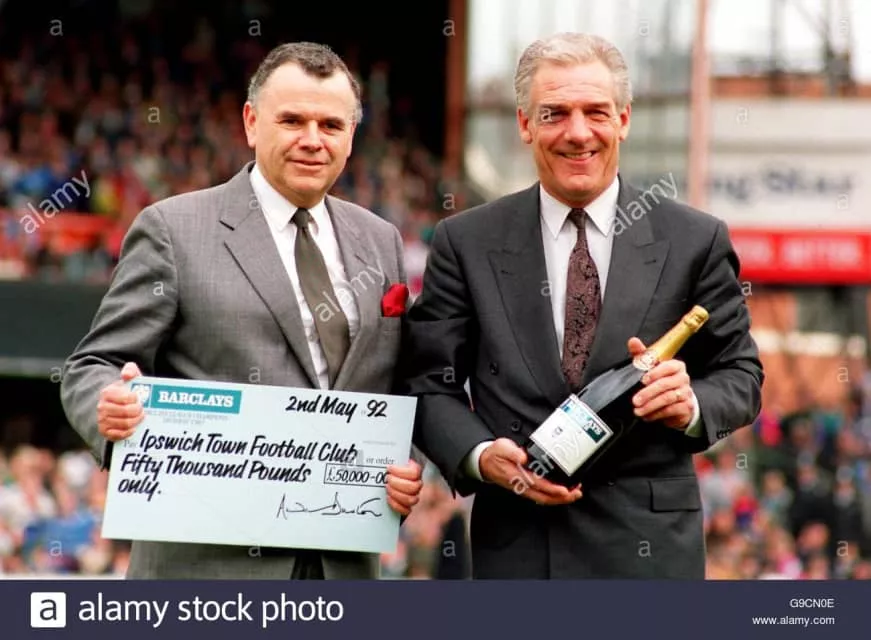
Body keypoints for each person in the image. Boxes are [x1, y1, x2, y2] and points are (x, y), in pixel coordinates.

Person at [399, 32, 764, 579]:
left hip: (650, 556)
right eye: (555, 113)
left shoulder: (695, 240)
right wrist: (481, 455)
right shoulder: (465, 242)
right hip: (518, 554)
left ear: (623, 119)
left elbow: (741, 374)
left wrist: (690, 404)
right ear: (525, 124)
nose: (577, 132)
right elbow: (428, 382)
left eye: (596, 112)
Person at [60, 42, 423, 579]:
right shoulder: (173, 230)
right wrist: (107, 406)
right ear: (252, 123)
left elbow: (403, 384)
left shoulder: (381, 240)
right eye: (292, 121)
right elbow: (94, 364)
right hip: (207, 574)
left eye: (331, 125)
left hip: (344, 565)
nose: (312, 140)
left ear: (351, 137)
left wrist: (407, 464)